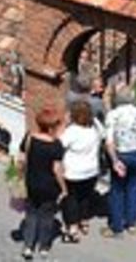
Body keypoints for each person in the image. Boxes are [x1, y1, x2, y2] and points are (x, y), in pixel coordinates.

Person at [104, 84, 136, 239]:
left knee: (117, 190)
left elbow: (109, 142)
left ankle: (116, 227)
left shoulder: (113, 115)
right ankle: (131, 223)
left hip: (122, 154)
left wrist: (114, 160)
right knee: (134, 187)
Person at [20, 106, 67, 260]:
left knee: (31, 214)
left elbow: (22, 159)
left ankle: (28, 246)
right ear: (52, 127)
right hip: (49, 187)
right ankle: (44, 247)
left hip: (31, 182)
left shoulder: (29, 138)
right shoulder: (56, 145)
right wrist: (64, 188)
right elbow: (57, 170)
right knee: (47, 217)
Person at [59, 98, 103, 243]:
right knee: (85, 197)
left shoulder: (72, 131)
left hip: (73, 172)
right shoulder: (94, 129)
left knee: (71, 199)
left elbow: (59, 145)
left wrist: (64, 125)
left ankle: (72, 227)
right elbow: (103, 133)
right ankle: (84, 220)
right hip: (91, 171)